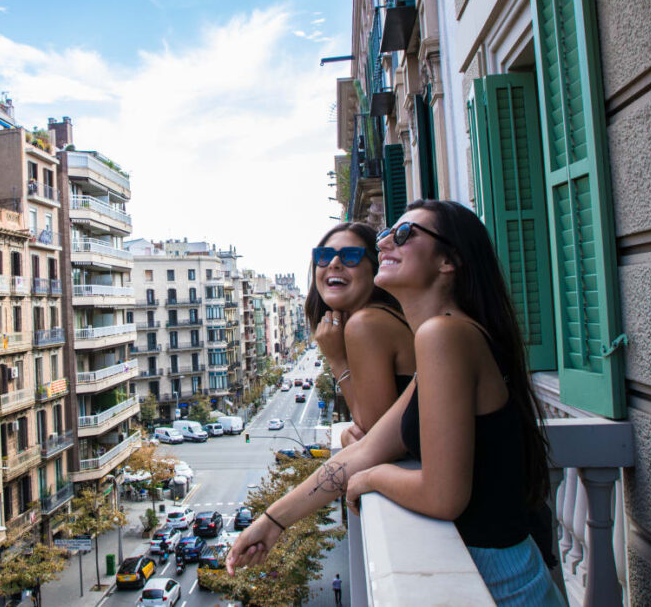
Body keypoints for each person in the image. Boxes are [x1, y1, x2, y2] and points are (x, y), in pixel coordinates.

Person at [227, 200, 565, 605]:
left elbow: (442, 495)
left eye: (404, 235)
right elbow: (368, 447)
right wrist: (272, 521)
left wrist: (370, 479)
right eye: (387, 233)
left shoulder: (444, 335)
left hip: (500, 585)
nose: (385, 242)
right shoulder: (449, 337)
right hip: (505, 574)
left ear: (448, 261)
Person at [305, 223, 415, 447]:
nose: (334, 263)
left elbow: (376, 441)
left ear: (375, 269)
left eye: (351, 256)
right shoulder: (383, 317)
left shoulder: (366, 325)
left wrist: (337, 360)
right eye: (324, 256)